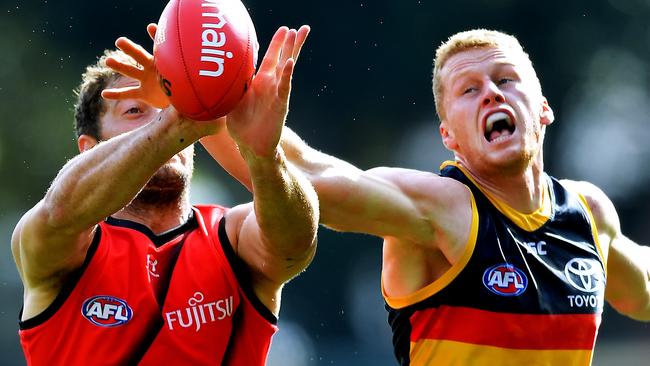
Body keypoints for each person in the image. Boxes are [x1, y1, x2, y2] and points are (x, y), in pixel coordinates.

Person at [113, 28, 650, 366]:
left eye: (506, 80)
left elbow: (639, 292)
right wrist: (205, 99)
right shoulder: (440, 207)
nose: (491, 92)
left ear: (543, 108)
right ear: (450, 139)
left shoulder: (587, 214)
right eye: (469, 90)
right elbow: (313, 177)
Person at [11, 25, 318, 366]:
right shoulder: (63, 242)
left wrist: (265, 156)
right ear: (89, 149)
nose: (163, 120)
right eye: (135, 111)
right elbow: (61, 210)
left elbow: (295, 243)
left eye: (170, 107)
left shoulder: (230, 236)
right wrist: (180, 117)